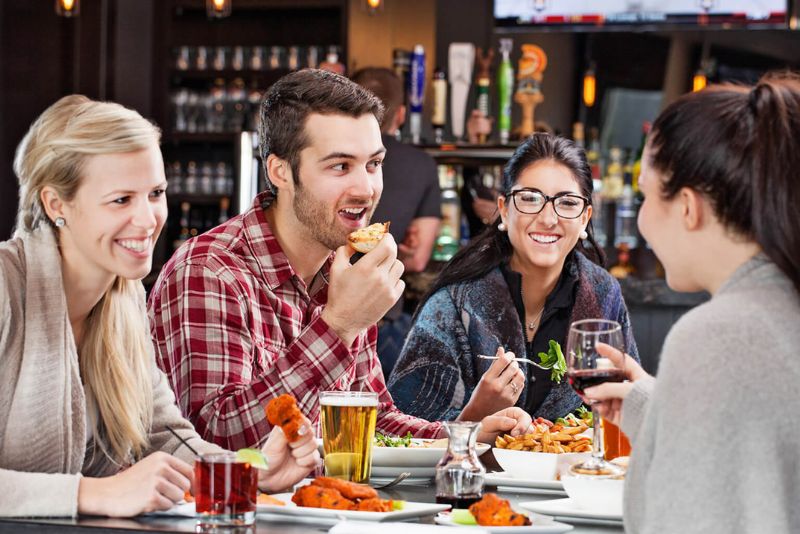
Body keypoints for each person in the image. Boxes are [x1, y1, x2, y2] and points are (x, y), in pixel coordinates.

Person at [147, 69, 533, 451]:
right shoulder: (209, 270)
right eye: (340, 166)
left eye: (374, 164)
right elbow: (218, 443)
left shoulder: (345, 266)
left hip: (325, 507)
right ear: (280, 171)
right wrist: (339, 325)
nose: (366, 189)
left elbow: (375, 423)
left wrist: (468, 436)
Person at [0, 95, 320, 518]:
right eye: (121, 200)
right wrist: (94, 494)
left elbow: (164, 436)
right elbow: (108, 488)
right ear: (57, 205)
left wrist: (249, 471)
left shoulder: (124, 296)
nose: (148, 218)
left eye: (155, 193)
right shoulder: (6, 288)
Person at [585, 74, 800, 533]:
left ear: (687, 206)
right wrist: (656, 406)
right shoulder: (778, 304)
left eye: (644, 194)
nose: (640, 219)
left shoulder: (719, 335)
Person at [388, 133, 639, 422]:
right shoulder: (454, 304)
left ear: (584, 217)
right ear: (505, 211)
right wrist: (476, 414)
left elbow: (628, 413)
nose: (548, 218)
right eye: (530, 199)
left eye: (568, 202)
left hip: (575, 468)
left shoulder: (603, 295)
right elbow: (402, 431)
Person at [350, 67, 441, 378]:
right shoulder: (421, 164)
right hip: (385, 321)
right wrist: (391, 249)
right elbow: (418, 259)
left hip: (320, 316)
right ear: (401, 114)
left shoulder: (326, 158)